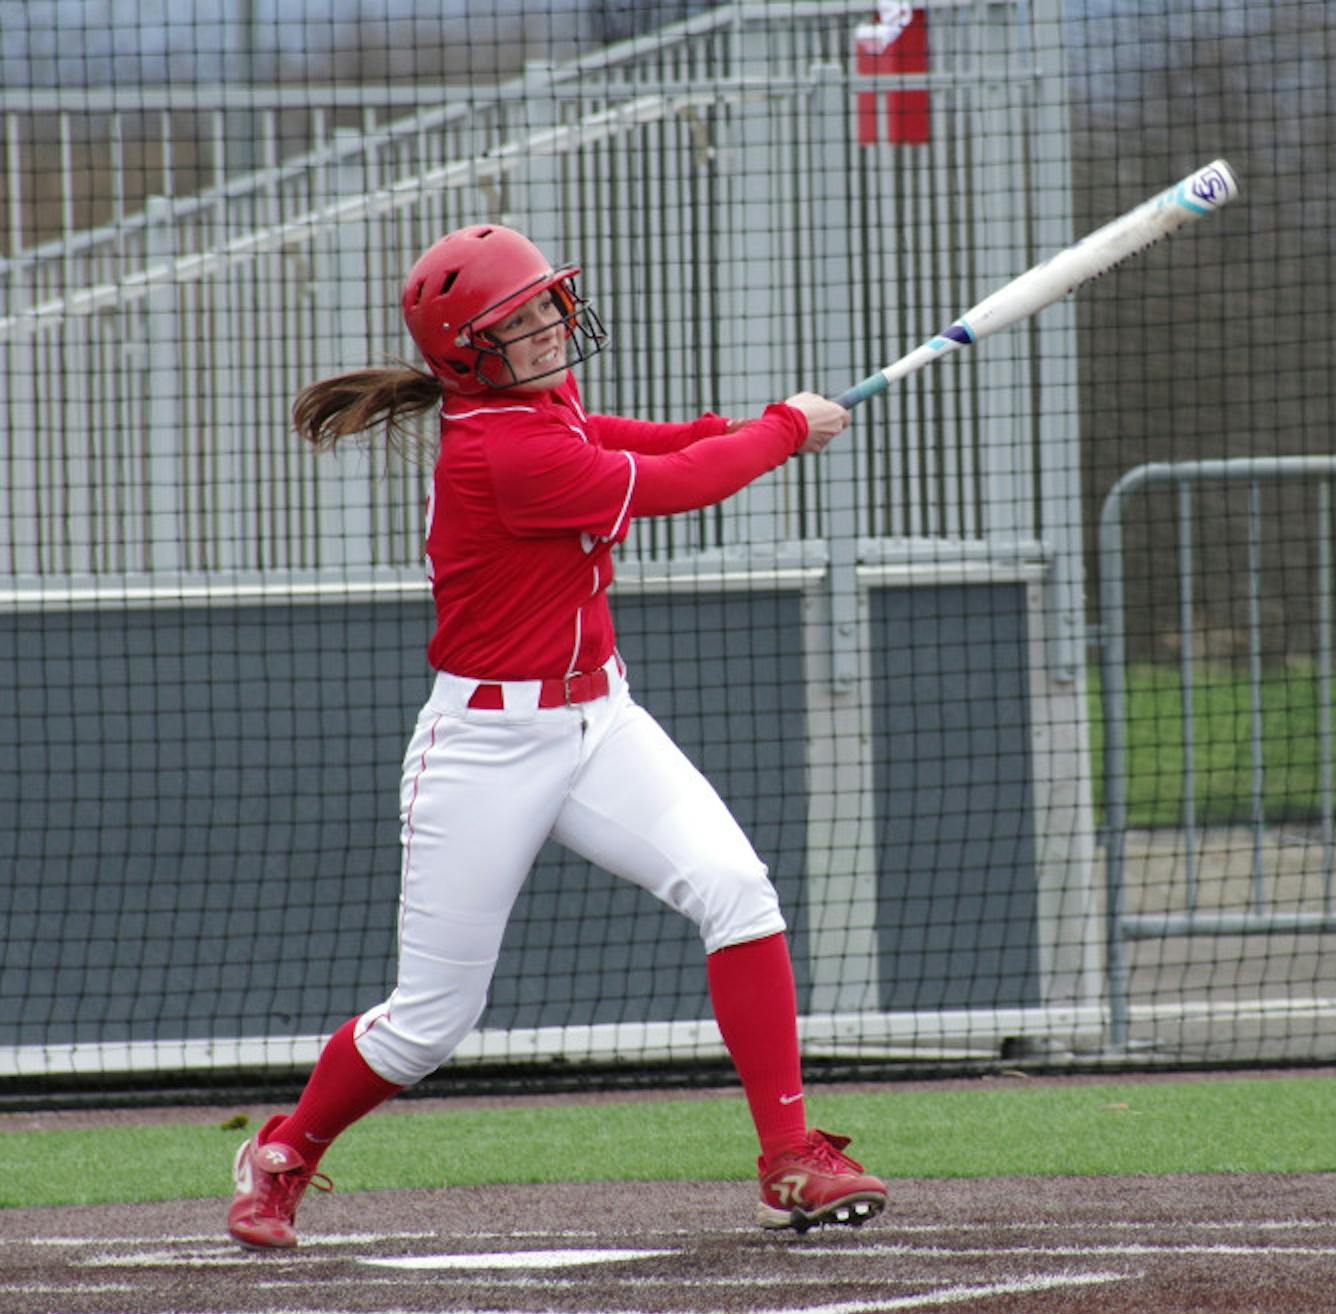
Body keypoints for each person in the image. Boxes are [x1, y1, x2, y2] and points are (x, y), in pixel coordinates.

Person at [225, 222, 887, 1249]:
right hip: (486, 747)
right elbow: (680, 487)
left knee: (735, 889)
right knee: (430, 1021)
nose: (543, 326)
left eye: (544, 303)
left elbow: (618, 438)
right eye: (515, 319)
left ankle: (790, 1157)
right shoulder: (503, 452)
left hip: (599, 719)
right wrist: (780, 430)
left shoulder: (538, 404)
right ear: (465, 354)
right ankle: (283, 1152)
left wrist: (730, 426)